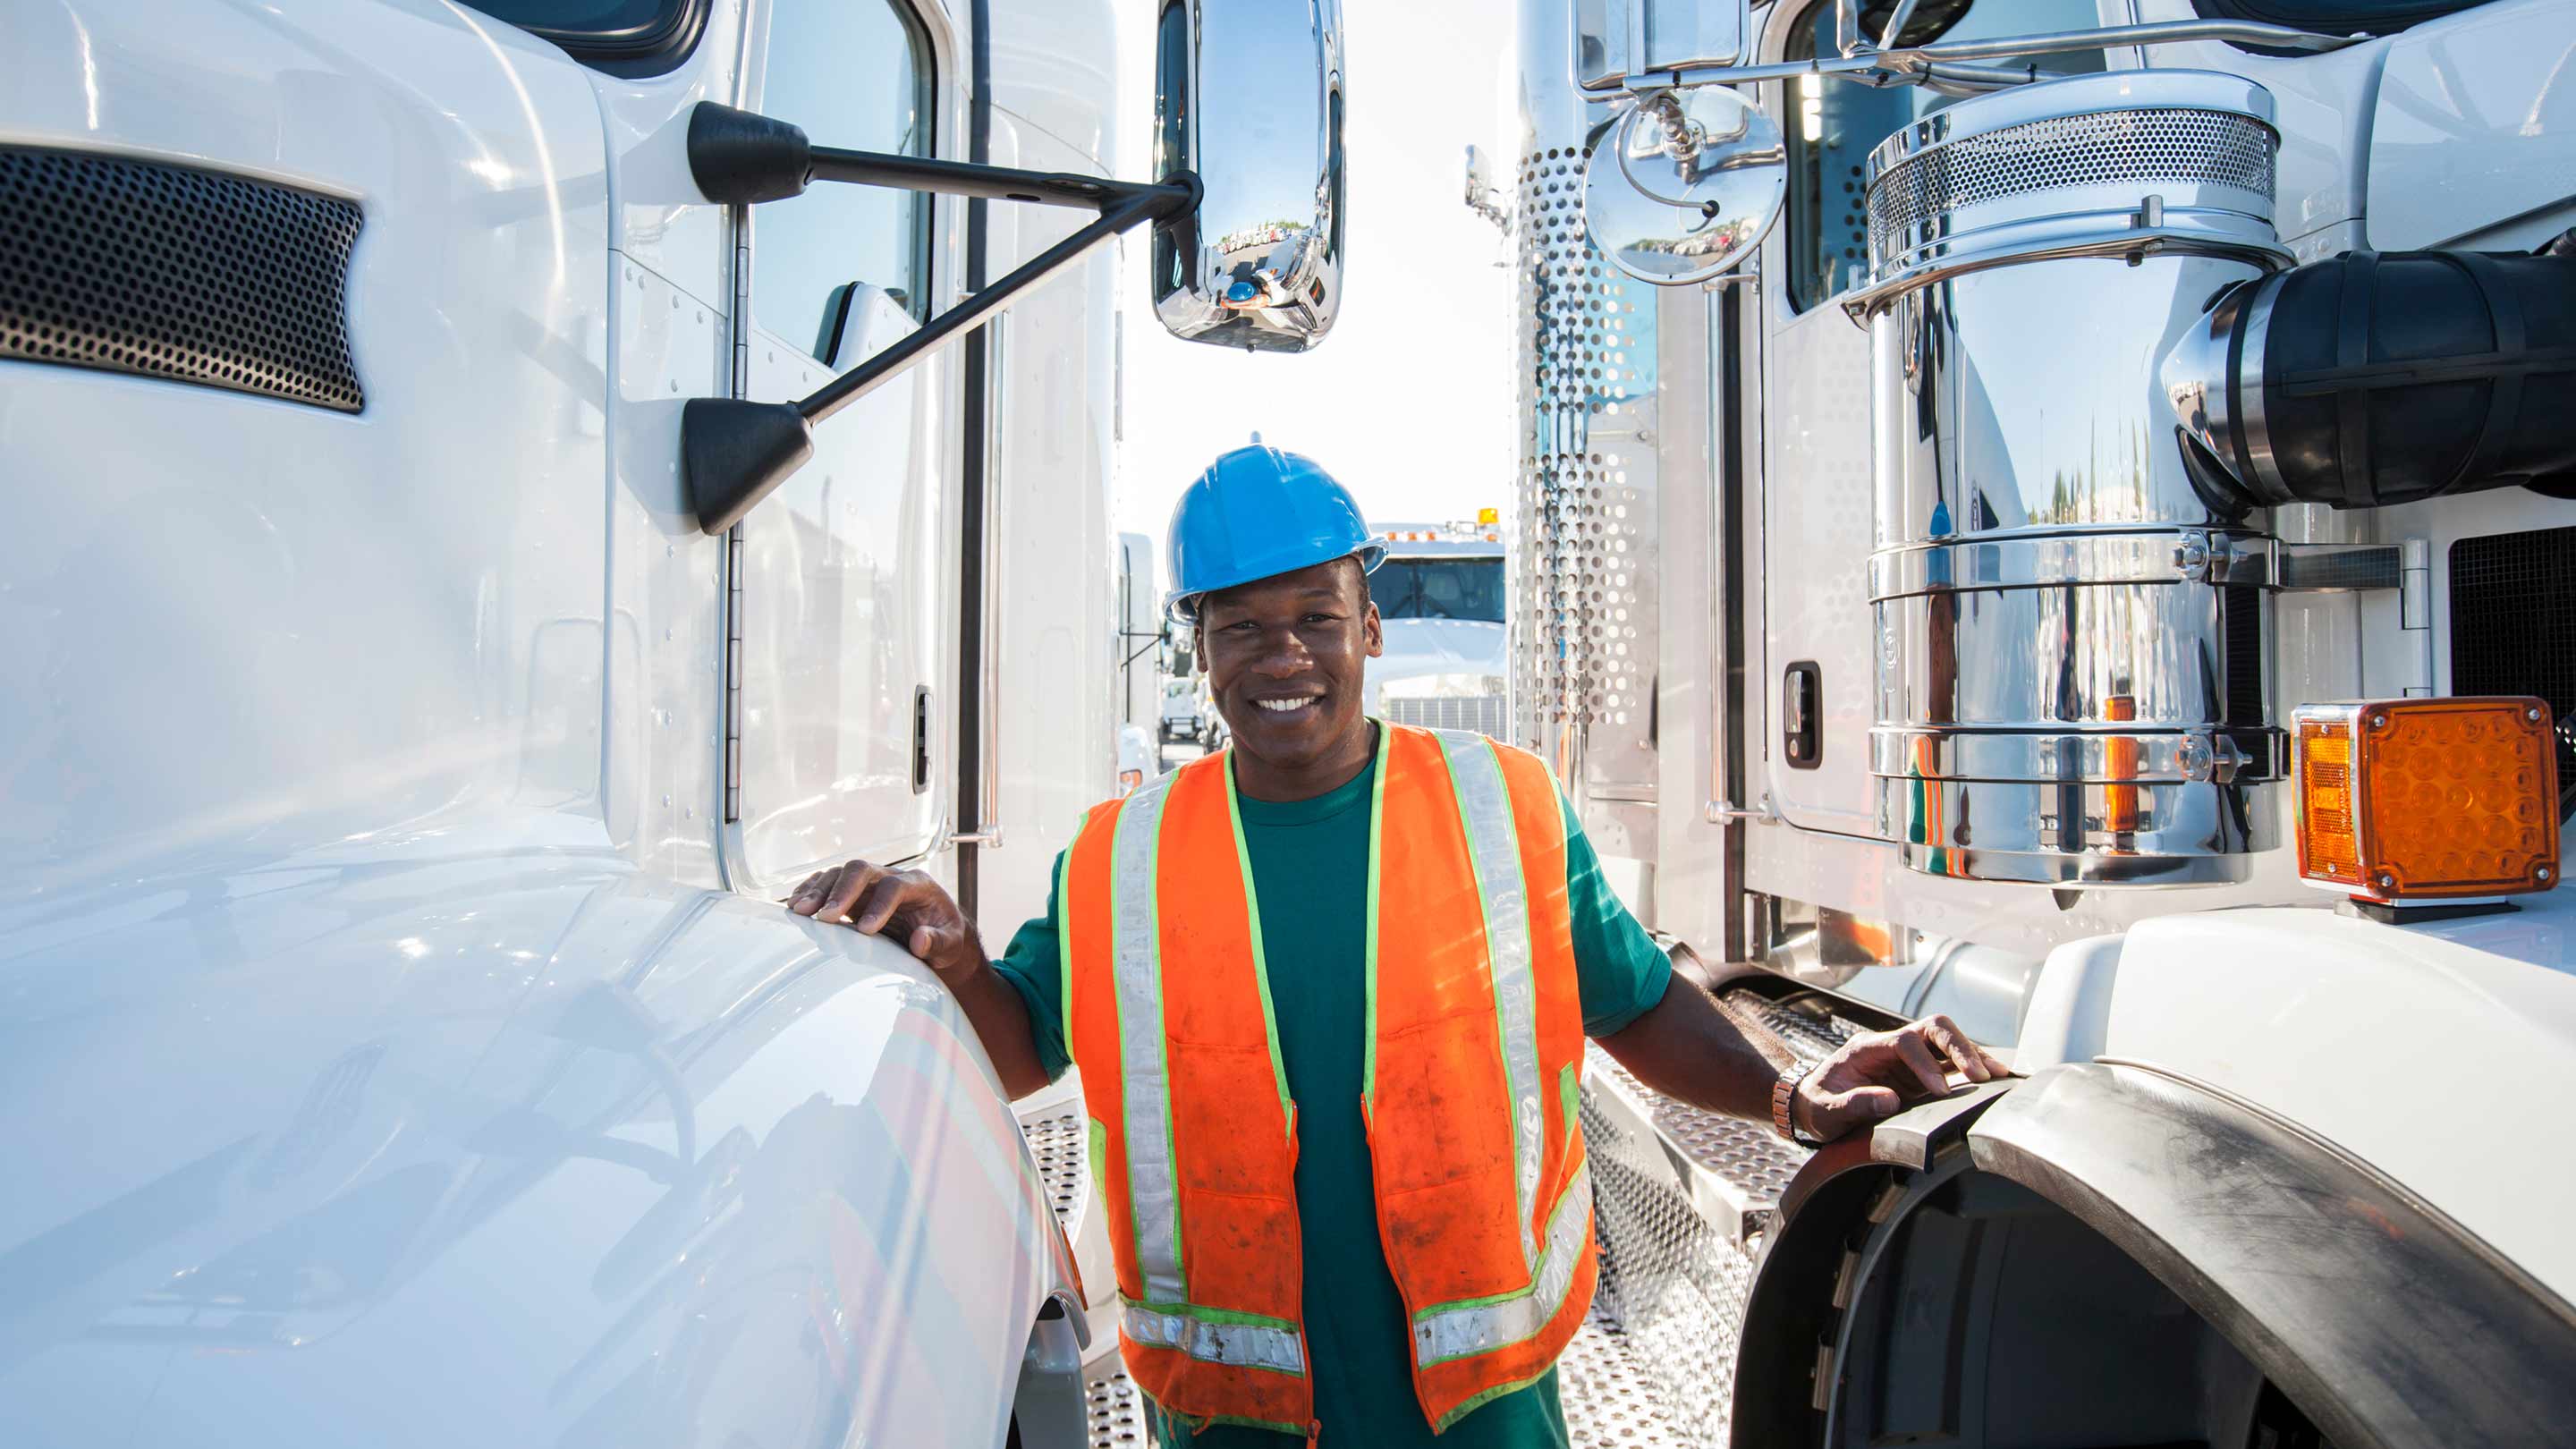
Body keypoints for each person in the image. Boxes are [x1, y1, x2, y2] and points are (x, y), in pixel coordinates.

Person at [790, 444, 2004, 1447]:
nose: (1284, 657)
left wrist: (1792, 1096)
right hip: (1236, 1425)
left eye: (1316, 616)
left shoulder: (1506, 809)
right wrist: (943, 956)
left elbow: (1632, 1002)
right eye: (1242, 626)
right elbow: (1015, 1047)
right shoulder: (1120, 857)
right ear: (1195, 647)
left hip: (1482, 1418)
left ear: (1370, 626)